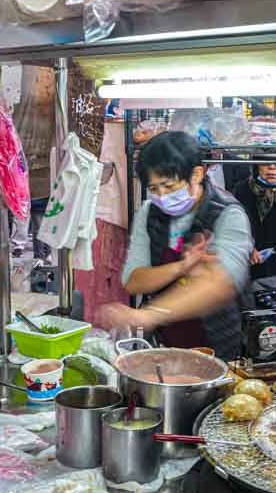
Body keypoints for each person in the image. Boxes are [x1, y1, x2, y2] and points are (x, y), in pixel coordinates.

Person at [99, 131, 253, 359]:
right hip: (167, 345)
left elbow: (219, 284)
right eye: (153, 189)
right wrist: (180, 268)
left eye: (169, 186)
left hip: (222, 346)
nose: (161, 196)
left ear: (197, 174)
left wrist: (149, 315)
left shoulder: (228, 214)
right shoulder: (149, 213)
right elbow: (133, 281)